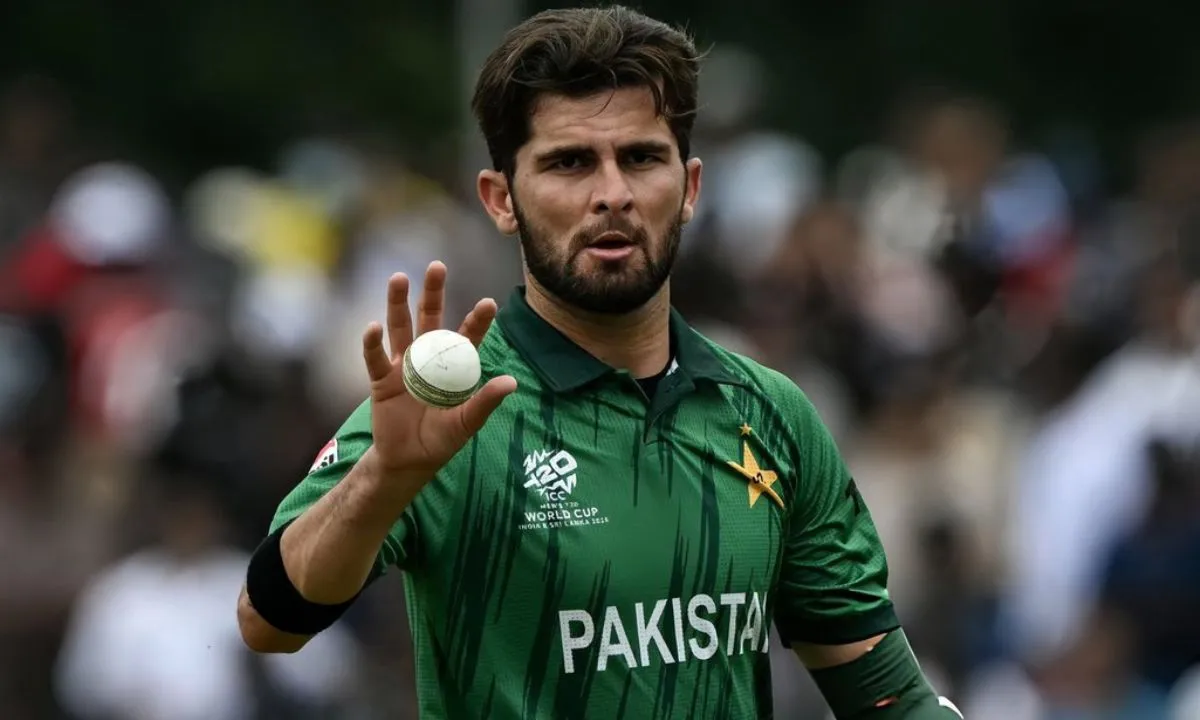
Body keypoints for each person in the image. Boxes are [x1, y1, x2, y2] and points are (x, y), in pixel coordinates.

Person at [237, 5, 964, 718]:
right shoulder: (449, 410)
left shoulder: (772, 413)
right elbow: (268, 622)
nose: (612, 194)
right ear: (501, 200)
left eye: (641, 158)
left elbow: (888, 700)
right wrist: (384, 480)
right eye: (570, 162)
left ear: (690, 187)